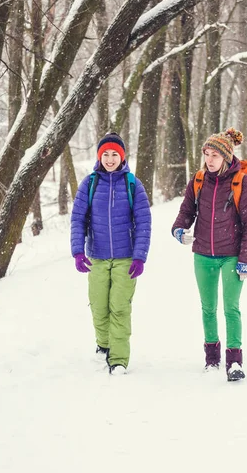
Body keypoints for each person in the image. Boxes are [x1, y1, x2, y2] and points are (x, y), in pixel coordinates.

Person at [171, 128, 247, 381]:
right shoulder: (198, 180)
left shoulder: (241, 182)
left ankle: (234, 362)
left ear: (227, 156)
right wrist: (178, 229)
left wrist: (245, 260)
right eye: (207, 154)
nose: (209, 160)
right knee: (208, 308)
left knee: (231, 308)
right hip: (202, 254)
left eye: (215, 155)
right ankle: (212, 359)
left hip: (231, 255)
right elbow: (186, 211)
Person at [71, 132, 151, 375]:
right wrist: (77, 251)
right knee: (98, 305)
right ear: (99, 156)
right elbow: (77, 218)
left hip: (126, 258)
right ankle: (104, 344)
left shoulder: (132, 184)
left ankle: (118, 360)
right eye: (105, 154)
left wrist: (140, 256)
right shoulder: (90, 183)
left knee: (119, 307)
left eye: (114, 154)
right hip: (97, 256)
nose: (109, 158)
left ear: (122, 156)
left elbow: (144, 221)